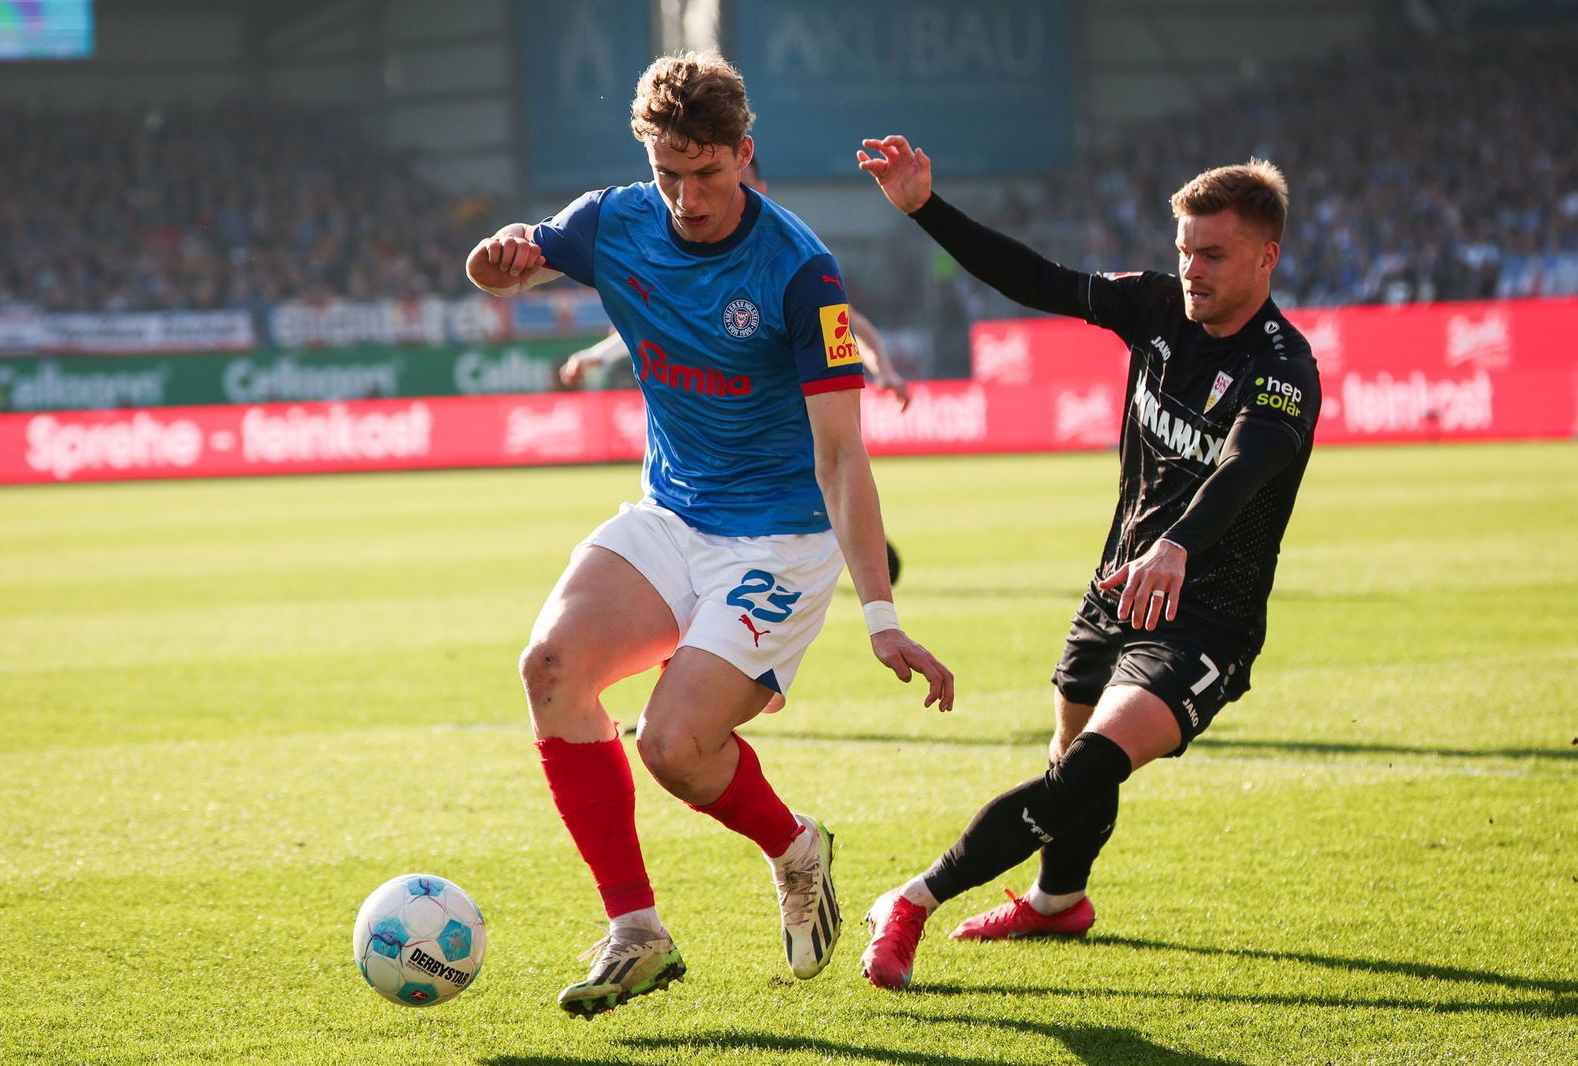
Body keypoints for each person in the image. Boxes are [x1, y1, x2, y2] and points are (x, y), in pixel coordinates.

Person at [464, 59, 954, 1017]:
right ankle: (637, 932)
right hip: (671, 513)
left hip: (778, 542)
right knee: (551, 669)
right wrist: (495, 261)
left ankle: (794, 847)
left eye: (708, 175)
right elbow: (500, 275)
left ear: (744, 154)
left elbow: (844, 458)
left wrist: (882, 613)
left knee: (678, 748)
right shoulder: (613, 220)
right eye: (668, 174)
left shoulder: (802, 271)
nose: (687, 198)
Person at [853, 135, 1320, 989]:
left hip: (1204, 618)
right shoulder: (1155, 308)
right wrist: (925, 208)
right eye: (1184, 251)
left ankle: (913, 900)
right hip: (1117, 587)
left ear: (1266, 256)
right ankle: (1060, 900)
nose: (1192, 271)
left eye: (1212, 255)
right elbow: (1037, 280)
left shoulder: (1284, 366)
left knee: (1092, 766)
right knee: (1066, 773)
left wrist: (1178, 545)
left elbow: (1248, 465)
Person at [557, 155, 914, 412]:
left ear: (758, 187)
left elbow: (845, 320)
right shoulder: (683, 252)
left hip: (778, 448)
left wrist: (883, 369)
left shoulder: (788, 258)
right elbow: (658, 325)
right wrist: (597, 355)